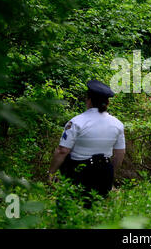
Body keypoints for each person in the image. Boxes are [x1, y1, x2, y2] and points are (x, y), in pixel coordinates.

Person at [48, 80, 126, 208]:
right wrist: (111, 174)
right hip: (104, 172)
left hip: (80, 173)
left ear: (88, 100)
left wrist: (51, 172)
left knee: (71, 208)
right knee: (97, 210)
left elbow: (62, 151)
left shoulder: (77, 122)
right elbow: (120, 153)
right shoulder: (117, 124)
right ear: (107, 102)